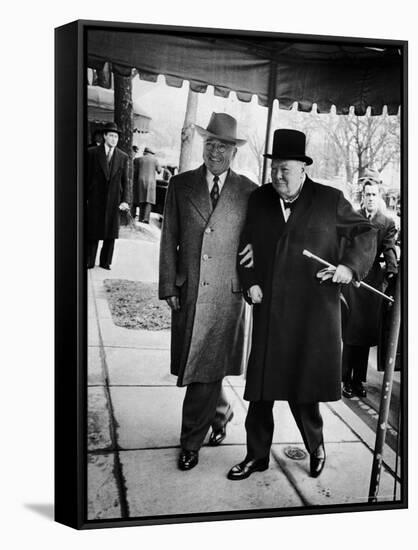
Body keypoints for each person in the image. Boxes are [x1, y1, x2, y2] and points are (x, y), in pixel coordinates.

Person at [227, 129, 376, 481]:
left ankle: (316, 447)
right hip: (271, 310)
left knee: (304, 387)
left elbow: (365, 232)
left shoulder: (329, 199)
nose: (278, 176)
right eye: (275, 168)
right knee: (261, 390)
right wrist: (251, 284)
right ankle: (256, 455)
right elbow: (246, 245)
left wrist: (348, 267)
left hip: (312, 312)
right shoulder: (260, 199)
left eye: (286, 169)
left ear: (303, 169)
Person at [158, 112, 257, 471]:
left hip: (228, 297)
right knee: (202, 367)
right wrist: (168, 284)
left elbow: (263, 236)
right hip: (190, 292)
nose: (215, 150)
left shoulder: (249, 191)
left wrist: (256, 254)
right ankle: (222, 411)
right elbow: (169, 238)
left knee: (203, 371)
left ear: (234, 152)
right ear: (204, 144)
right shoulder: (180, 185)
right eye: (210, 143)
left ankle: (190, 442)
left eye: (224, 146)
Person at [341, 169, 398, 398]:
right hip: (353, 281)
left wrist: (392, 273)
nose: (371, 198)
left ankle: (358, 381)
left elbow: (389, 248)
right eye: (367, 195)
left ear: (379, 196)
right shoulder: (353, 217)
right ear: (362, 196)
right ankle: (345, 379)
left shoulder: (387, 222)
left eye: (374, 194)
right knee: (351, 334)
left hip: (372, 283)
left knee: (364, 335)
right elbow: (343, 245)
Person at [86, 122, 130, 270]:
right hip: (95, 198)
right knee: (92, 230)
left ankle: (106, 262)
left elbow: (126, 181)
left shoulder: (123, 157)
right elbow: (85, 177)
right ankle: (89, 261)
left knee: (110, 232)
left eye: (116, 136)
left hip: (114, 200)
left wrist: (125, 200)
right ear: (104, 136)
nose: (113, 139)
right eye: (111, 135)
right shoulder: (92, 153)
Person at [131, 147, 161, 224]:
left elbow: (135, 171)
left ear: (144, 152)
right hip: (151, 182)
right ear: (151, 154)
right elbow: (159, 171)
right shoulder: (155, 160)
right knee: (149, 200)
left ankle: (140, 218)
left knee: (141, 199)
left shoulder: (138, 159)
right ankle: (146, 219)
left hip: (140, 181)